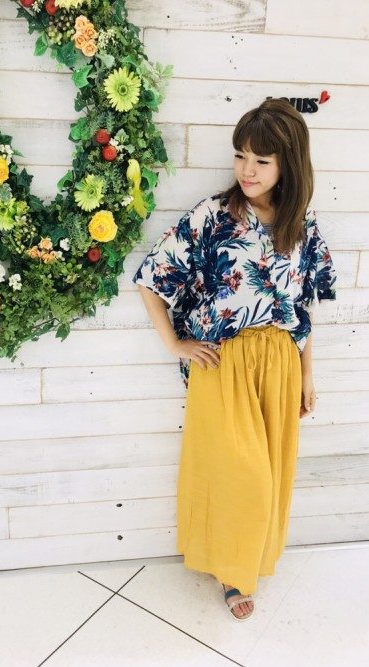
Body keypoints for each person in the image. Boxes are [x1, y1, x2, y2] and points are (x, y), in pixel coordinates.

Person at [132, 98, 337, 620]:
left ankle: (244, 561)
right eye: (241, 155)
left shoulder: (301, 223)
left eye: (262, 160)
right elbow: (151, 279)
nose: (248, 169)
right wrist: (175, 344)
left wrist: (307, 374)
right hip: (223, 364)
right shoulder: (212, 216)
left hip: (280, 361)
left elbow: (306, 304)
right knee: (241, 476)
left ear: (289, 163)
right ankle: (233, 571)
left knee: (272, 473)